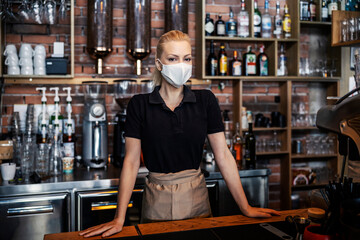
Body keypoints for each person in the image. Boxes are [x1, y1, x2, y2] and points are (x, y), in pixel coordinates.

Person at [79, 30, 279, 238]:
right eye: (172, 59)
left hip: (197, 203)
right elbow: (131, 162)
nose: (181, 65)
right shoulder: (139, 105)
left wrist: (245, 207)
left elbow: (223, 155)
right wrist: (119, 218)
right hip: (156, 203)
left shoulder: (206, 101)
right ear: (159, 64)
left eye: (187, 58)